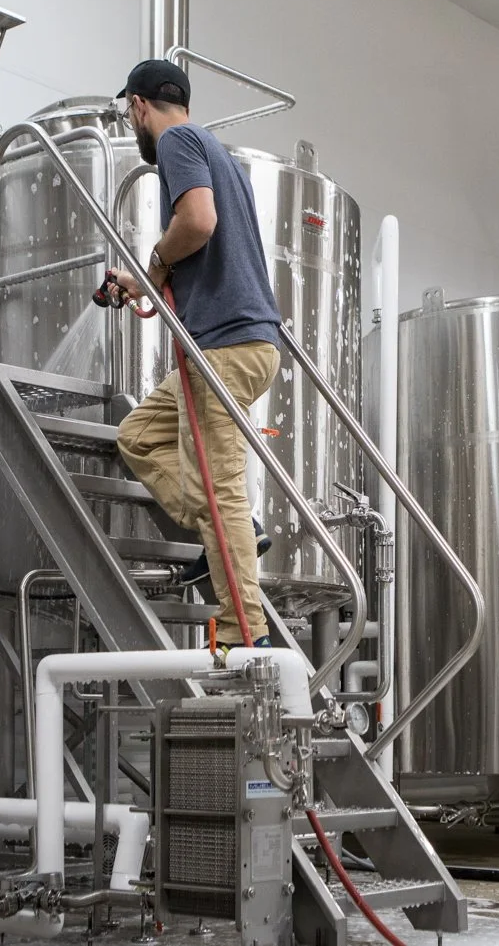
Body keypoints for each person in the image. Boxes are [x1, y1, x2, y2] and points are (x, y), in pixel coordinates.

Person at [108, 59, 282, 650]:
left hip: (223, 347)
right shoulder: (220, 154)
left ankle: (243, 635)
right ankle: (232, 532)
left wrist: (156, 263)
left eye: (128, 113)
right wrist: (142, 282)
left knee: (218, 488)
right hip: (244, 343)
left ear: (138, 106)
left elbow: (198, 222)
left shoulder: (176, 142)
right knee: (138, 436)